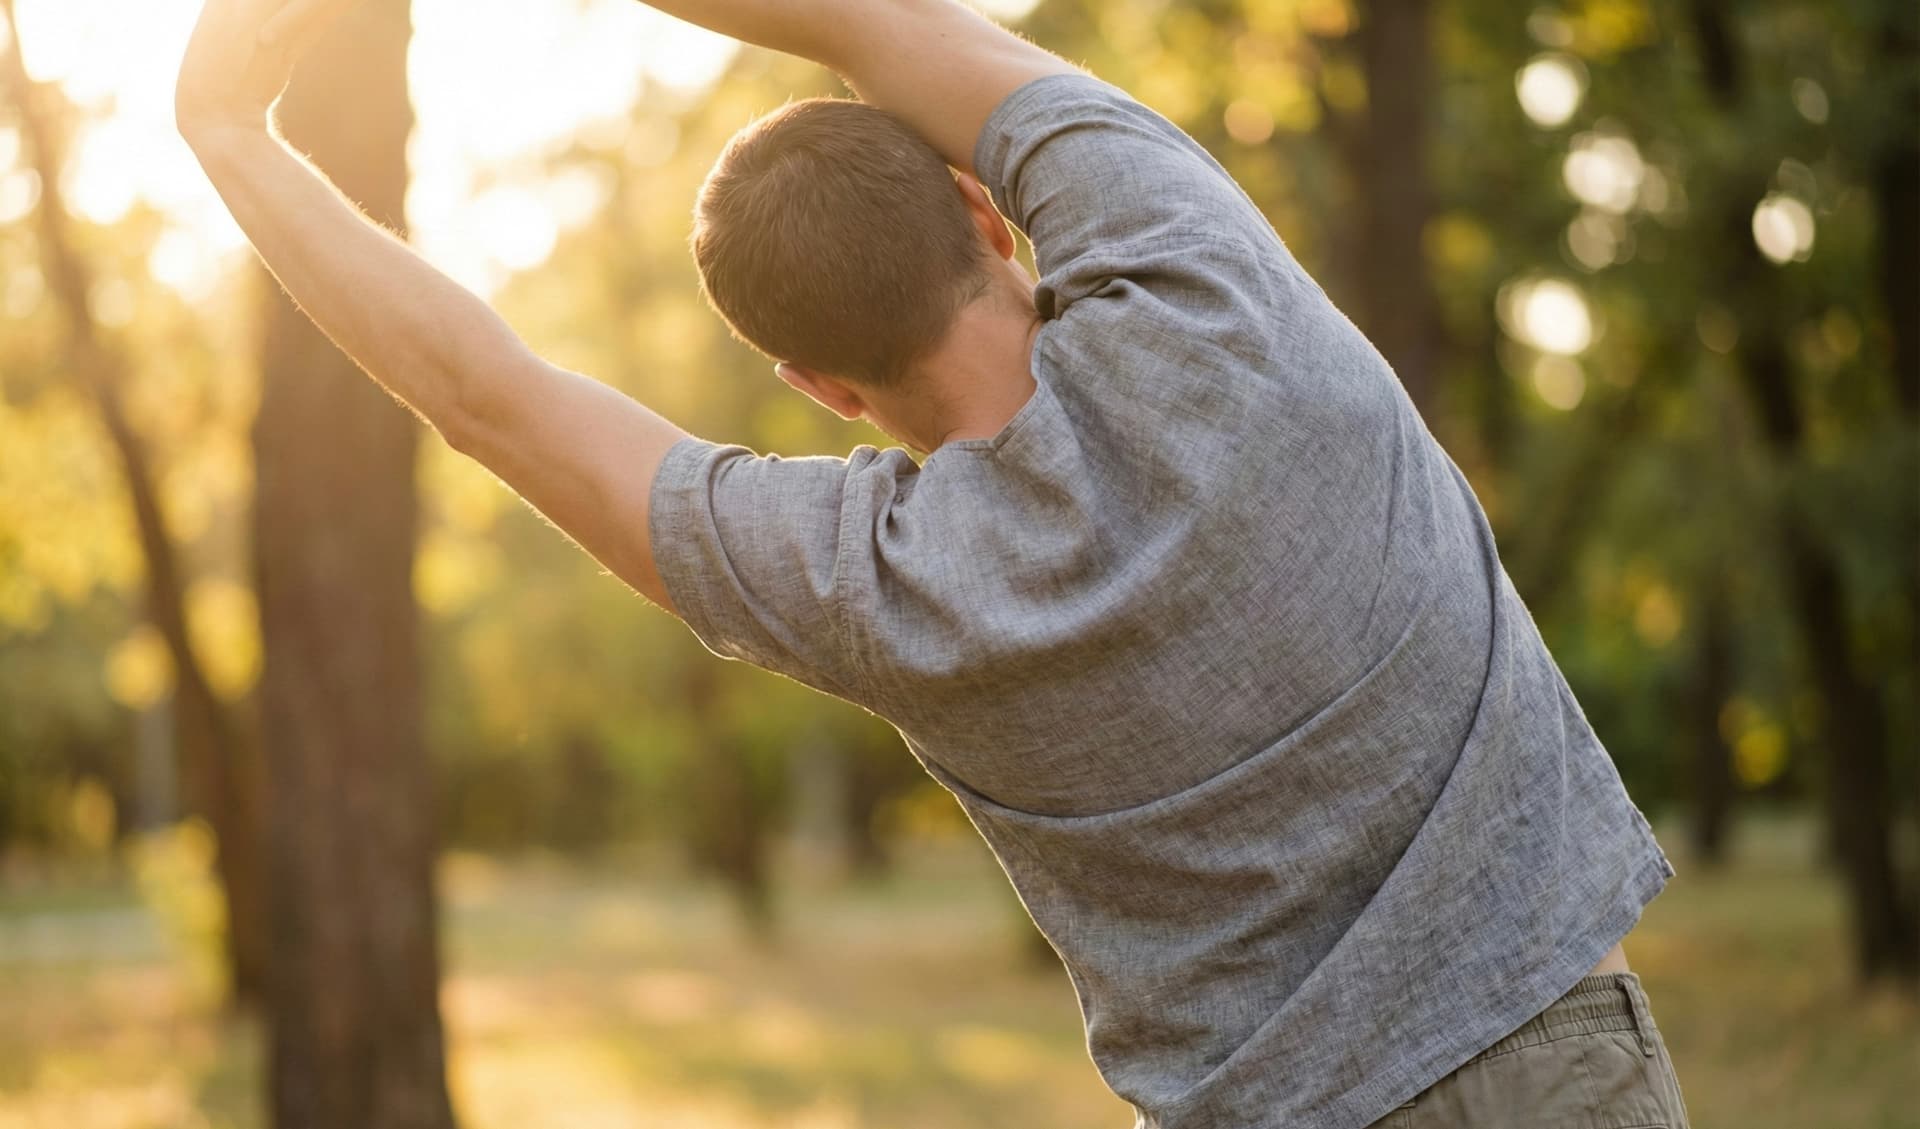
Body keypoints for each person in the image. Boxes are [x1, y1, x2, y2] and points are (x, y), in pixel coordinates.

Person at [175, 1, 1691, 1126]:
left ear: (820, 384)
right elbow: (866, 22)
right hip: (1565, 1067)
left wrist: (231, 141)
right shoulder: (1205, 285)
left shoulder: (882, 593)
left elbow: (492, 395)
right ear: (985, 205)